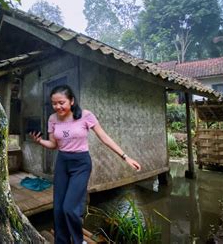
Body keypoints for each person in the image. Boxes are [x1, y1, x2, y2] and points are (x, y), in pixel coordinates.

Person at [30, 85, 141, 244]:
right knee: (59, 209)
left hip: (81, 164)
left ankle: (78, 240)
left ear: (72, 101)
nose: (58, 107)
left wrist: (125, 157)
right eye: (54, 103)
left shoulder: (85, 116)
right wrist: (40, 141)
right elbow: (54, 144)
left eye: (61, 102)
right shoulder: (52, 119)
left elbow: (104, 137)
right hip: (62, 162)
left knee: (70, 208)